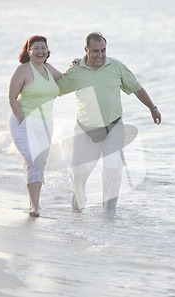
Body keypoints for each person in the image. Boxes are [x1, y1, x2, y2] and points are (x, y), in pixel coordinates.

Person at [57, 32, 162, 214]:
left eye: (103, 50)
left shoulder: (116, 67)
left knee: (113, 169)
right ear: (86, 50)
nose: (100, 55)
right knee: (79, 174)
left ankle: (109, 216)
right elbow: (56, 88)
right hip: (86, 130)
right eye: (95, 51)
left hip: (113, 127)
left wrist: (153, 108)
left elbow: (137, 88)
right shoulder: (76, 71)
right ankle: (77, 211)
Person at [7, 35, 64, 217]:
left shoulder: (49, 69)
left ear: (48, 51)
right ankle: (35, 207)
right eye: (36, 48)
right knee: (34, 161)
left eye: (43, 48)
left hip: (46, 123)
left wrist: (77, 66)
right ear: (29, 51)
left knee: (38, 163)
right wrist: (23, 120)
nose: (40, 51)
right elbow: (11, 98)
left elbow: (65, 81)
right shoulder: (22, 70)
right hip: (23, 121)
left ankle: (34, 203)